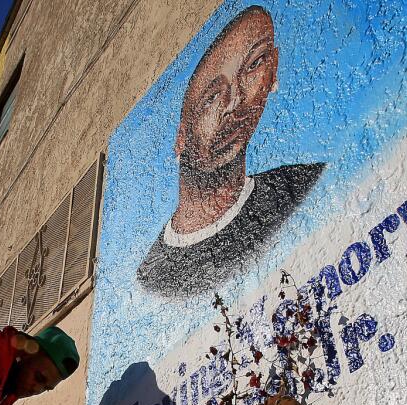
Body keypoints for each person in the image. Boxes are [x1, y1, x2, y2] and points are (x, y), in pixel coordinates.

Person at [136, 5, 324, 300]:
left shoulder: (305, 185)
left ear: (273, 69)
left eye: (253, 65)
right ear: (180, 138)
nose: (234, 103)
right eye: (211, 98)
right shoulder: (150, 279)